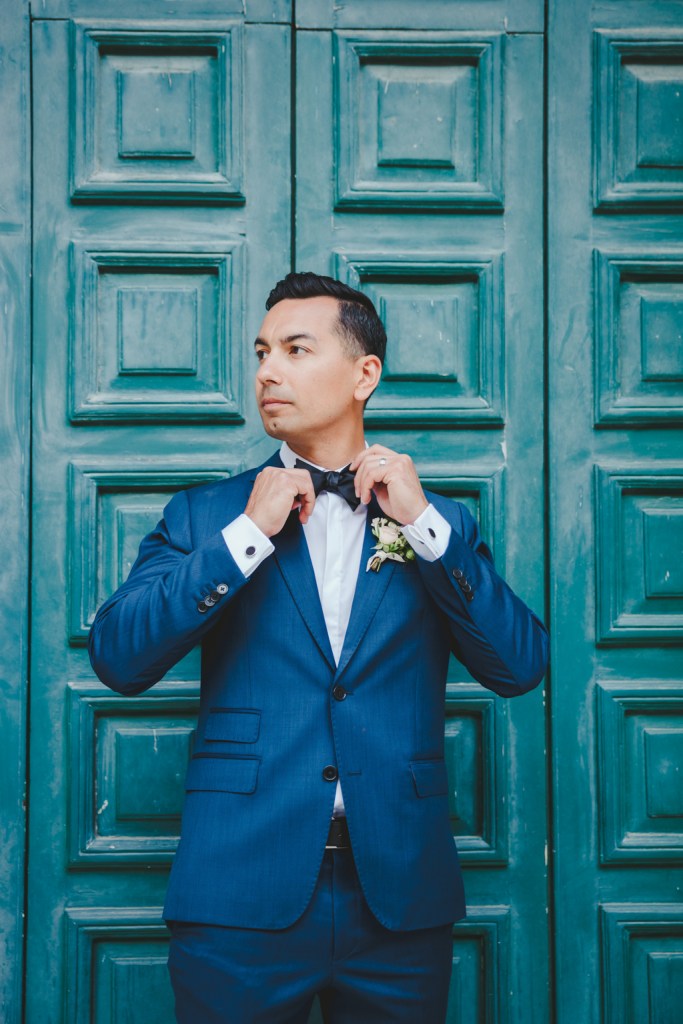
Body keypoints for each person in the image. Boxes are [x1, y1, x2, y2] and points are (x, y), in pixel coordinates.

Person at [89, 271, 548, 1024]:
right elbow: (119, 657)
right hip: (239, 888)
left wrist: (427, 528)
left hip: (397, 896)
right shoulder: (206, 515)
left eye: (296, 349)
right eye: (262, 351)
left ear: (364, 373)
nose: (268, 370)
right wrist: (244, 537)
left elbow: (517, 665)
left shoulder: (440, 524)